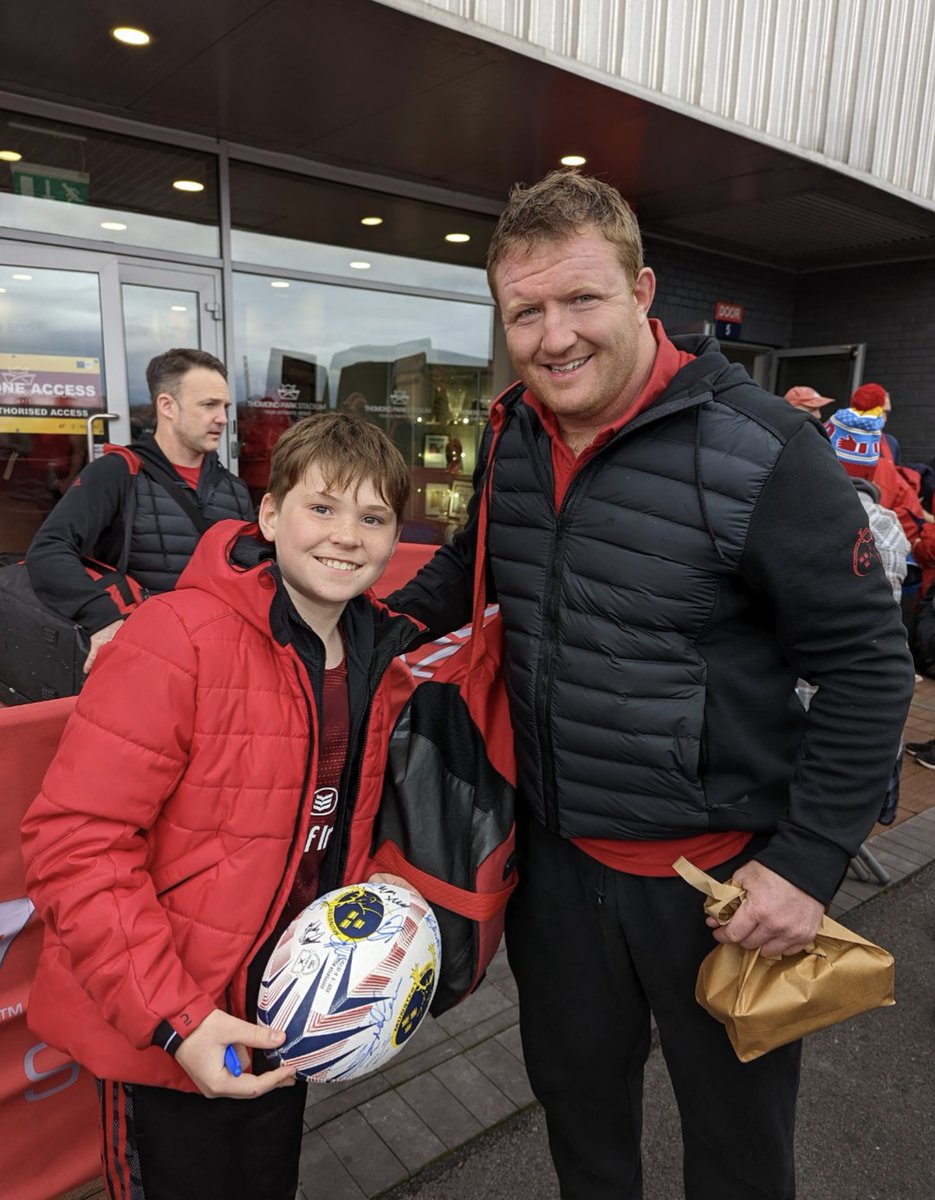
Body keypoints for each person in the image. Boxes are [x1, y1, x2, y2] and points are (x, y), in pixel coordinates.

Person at [387, 171, 914, 1200]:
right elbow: (471, 570)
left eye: (579, 298)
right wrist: (339, 621)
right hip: (555, 874)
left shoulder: (764, 448)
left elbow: (867, 667)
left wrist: (803, 868)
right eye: (524, 312)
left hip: (718, 891)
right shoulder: (511, 435)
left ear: (641, 291)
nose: (552, 337)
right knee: (580, 1123)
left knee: (737, 1153)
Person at [21, 413, 422, 1200]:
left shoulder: (374, 653)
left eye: (372, 517)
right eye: (323, 507)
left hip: (285, 1019)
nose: (347, 536)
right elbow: (75, 845)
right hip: (170, 1030)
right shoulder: (177, 636)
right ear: (268, 516)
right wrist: (178, 1020)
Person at [25, 348, 254, 674]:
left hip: (221, 659)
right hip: (147, 656)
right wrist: (103, 619)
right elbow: (49, 549)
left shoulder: (234, 489)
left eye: (225, 407)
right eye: (209, 405)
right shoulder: (117, 472)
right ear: (167, 406)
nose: (222, 417)